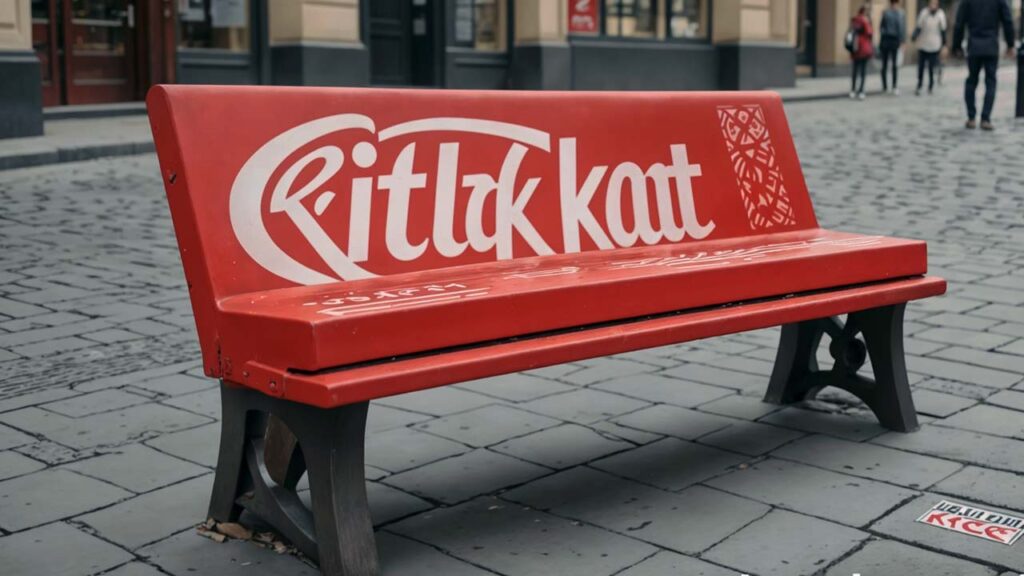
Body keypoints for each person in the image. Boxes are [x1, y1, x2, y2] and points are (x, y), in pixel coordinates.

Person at [952, 0, 1015, 130]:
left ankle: (971, 118)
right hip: (991, 46)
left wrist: (956, 46)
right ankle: (985, 118)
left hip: (974, 46)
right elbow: (1008, 21)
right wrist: (1010, 44)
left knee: (971, 81)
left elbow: (959, 23)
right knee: (990, 82)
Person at [914, 0, 947, 95]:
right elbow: (918, 27)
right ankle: (919, 85)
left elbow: (943, 30)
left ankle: (931, 85)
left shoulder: (940, 15)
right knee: (921, 67)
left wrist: (944, 44)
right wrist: (914, 36)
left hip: (934, 44)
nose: (932, 6)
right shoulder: (924, 13)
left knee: (932, 67)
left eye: (934, 4)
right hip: (923, 43)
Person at [879, 0, 907, 94]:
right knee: (885, 64)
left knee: (895, 64)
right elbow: (881, 27)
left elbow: (902, 28)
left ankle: (894, 86)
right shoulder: (886, 13)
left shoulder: (900, 14)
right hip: (887, 40)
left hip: (895, 40)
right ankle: (885, 86)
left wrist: (903, 41)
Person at [850, 5, 874, 100]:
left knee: (855, 70)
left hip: (855, 47)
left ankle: (852, 90)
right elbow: (870, 33)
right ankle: (861, 91)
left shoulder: (854, 19)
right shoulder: (865, 20)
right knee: (863, 71)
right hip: (863, 48)